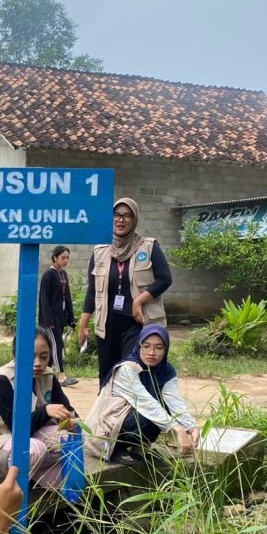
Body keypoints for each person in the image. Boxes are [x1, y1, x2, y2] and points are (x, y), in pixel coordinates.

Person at [77, 197, 172, 386]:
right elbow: (92, 290)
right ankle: (105, 413)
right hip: (108, 324)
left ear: (134, 219)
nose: (121, 220)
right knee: (107, 375)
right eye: (117, 215)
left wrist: (139, 301)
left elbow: (165, 279)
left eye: (127, 215)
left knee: (132, 373)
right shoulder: (100, 251)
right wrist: (83, 324)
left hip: (137, 323)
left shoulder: (149, 247)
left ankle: (133, 414)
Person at [0, 327, 78, 489]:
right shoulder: (1, 382)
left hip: (30, 439)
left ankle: (33, 475)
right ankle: (5, 490)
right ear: (14, 356)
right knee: (32, 450)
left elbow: (69, 410)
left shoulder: (48, 376)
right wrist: (45, 411)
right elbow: (17, 430)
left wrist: (72, 422)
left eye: (44, 357)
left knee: (70, 439)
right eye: (29, 356)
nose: (38, 363)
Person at [84, 324, 200, 463]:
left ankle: (137, 448)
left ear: (166, 349)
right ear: (139, 346)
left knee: (166, 407)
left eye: (158, 347)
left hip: (130, 418)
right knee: (148, 415)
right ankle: (116, 448)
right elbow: (146, 404)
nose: (151, 352)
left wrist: (191, 427)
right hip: (105, 430)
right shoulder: (127, 369)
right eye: (146, 346)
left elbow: (174, 401)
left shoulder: (166, 370)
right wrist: (178, 430)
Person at [38, 245, 78, 386]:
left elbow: (67, 297)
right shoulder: (48, 275)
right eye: (63, 258)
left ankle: (45, 374)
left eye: (67, 258)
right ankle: (61, 376)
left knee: (50, 346)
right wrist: (48, 320)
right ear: (55, 258)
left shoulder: (63, 274)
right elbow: (44, 299)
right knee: (57, 345)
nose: (66, 260)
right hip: (50, 320)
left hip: (60, 318)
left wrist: (70, 318)